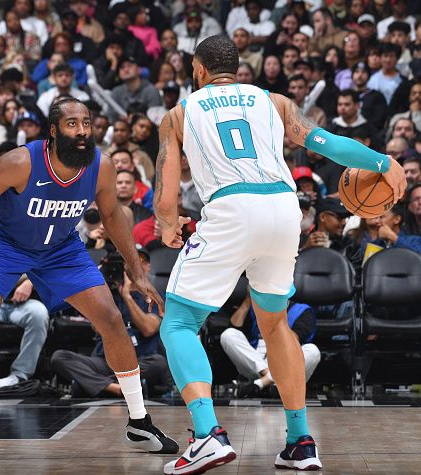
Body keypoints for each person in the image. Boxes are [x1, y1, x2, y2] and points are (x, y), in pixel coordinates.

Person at [153, 34, 406, 474]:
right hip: (284, 210)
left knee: (178, 320)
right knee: (274, 324)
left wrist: (170, 224)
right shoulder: (274, 102)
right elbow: (327, 143)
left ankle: (208, 434)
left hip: (232, 209)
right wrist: (383, 161)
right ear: (237, 67)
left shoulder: (178, 114)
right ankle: (300, 442)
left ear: (198, 70)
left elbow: (165, 193)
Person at [0, 98, 178, 458]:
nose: (82, 131)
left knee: (110, 318)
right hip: (6, 244)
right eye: (72, 124)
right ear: (54, 130)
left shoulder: (100, 167)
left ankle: (139, 422)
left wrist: (136, 273)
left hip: (61, 248)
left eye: (87, 123)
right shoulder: (19, 163)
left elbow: (112, 215)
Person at [52, 248, 171, 397]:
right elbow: (97, 327)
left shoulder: (153, 297)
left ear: (148, 267)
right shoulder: (106, 295)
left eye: (142, 261)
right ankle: (116, 388)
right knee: (60, 357)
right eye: (130, 261)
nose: (136, 265)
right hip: (105, 361)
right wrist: (100, 286)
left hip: (138, 360)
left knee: (159, 362)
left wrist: (127, 296)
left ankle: (95, 385)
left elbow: (148, 328)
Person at [221, 294, 320, 398]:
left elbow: (292, 342)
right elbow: (234, 328)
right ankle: (271, 382)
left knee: (313, 351)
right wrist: (248, 300)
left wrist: (278, 314)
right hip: (257, 365)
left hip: (285, 363)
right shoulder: (256, 308)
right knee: (228, 334)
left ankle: (260, 384)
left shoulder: (303, 311)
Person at [0, 274, 50, 396]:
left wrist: (29, 282)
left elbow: (46, 270)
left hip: (25, 303)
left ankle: (20, 376)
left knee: (39, 314)